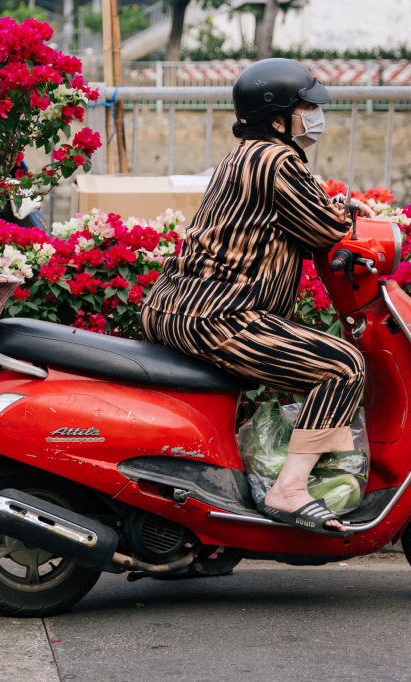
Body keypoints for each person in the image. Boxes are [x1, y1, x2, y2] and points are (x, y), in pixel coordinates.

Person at [141, 58, 373, 535]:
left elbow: (309, 215)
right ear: (277, 118)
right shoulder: (277, 159)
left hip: (181, 305)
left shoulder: (247, 155)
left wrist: (340, 209)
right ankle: (288, 490)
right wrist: (349, 219)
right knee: (342, 366)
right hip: (220, 315)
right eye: (306, 106)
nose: (315, 115)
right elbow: (326, 230)